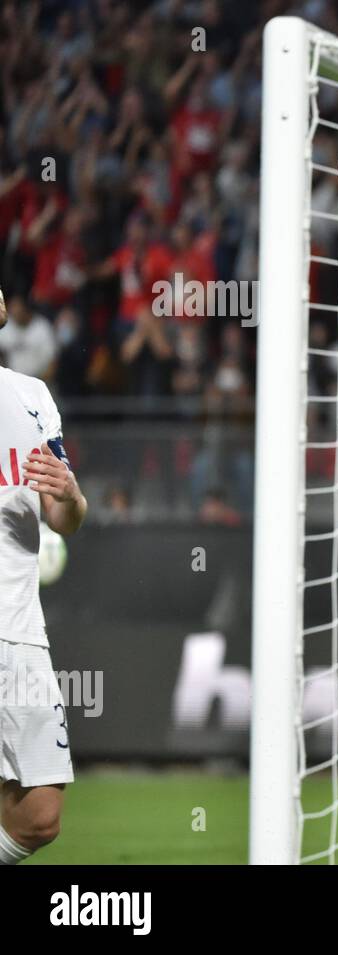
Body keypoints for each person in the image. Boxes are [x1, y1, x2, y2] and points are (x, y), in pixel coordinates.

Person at [0, 284, 89, 863]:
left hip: (18, 629)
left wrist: (71, 497)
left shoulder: (31, 396)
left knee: (39, 816)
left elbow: (63, 518)